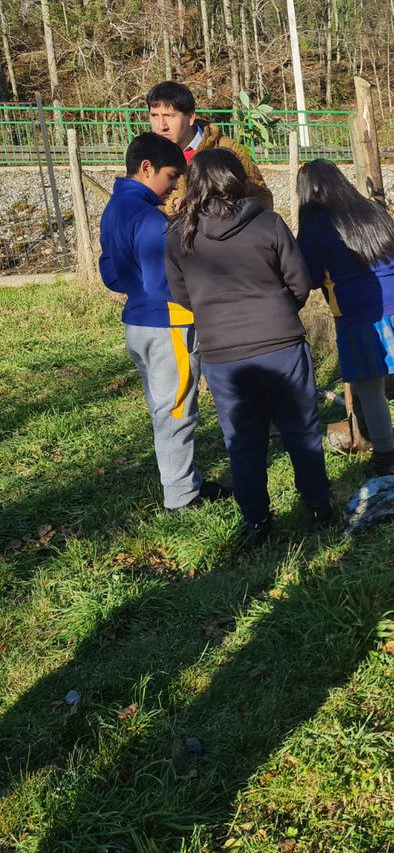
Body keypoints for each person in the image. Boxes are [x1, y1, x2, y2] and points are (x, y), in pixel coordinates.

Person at [165, 149, 333, 546]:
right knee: (301, 431)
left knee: (242, 440)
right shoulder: (269, 224)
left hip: (223, 355)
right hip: (282, 346)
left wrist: (216, 316)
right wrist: (278, 311)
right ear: (237, 180)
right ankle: (319, 507)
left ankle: (257, 521)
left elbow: (182, 296)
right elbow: (301, 283)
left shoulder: (178, 236)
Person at [98, 132, 230, 513]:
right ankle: (181, 496)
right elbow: (166, 282)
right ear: (146, 168)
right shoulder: (149, 219)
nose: (173, 186)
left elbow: (110, 273)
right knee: (176, 412)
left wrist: (136, 289)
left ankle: (185, 481)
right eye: (171, 176)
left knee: (164, 406)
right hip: (168, 324)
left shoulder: (115, 209)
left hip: (138, 323)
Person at [296, 159, 394, 477]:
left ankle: (384, 457)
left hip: (358, 307)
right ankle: (369, 434)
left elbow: (308, 277)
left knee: (368, 386)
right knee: (376, 383)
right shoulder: (369, 209)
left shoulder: (316, 224)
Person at [146, 80, 274, 213]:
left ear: (190, 117)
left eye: (169, 116)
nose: (161, 126)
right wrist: (172, 206)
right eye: (154, 116)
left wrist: (214, 205)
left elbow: (263, 199)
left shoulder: (228, 148)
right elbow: (140, 205)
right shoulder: (148, 157)